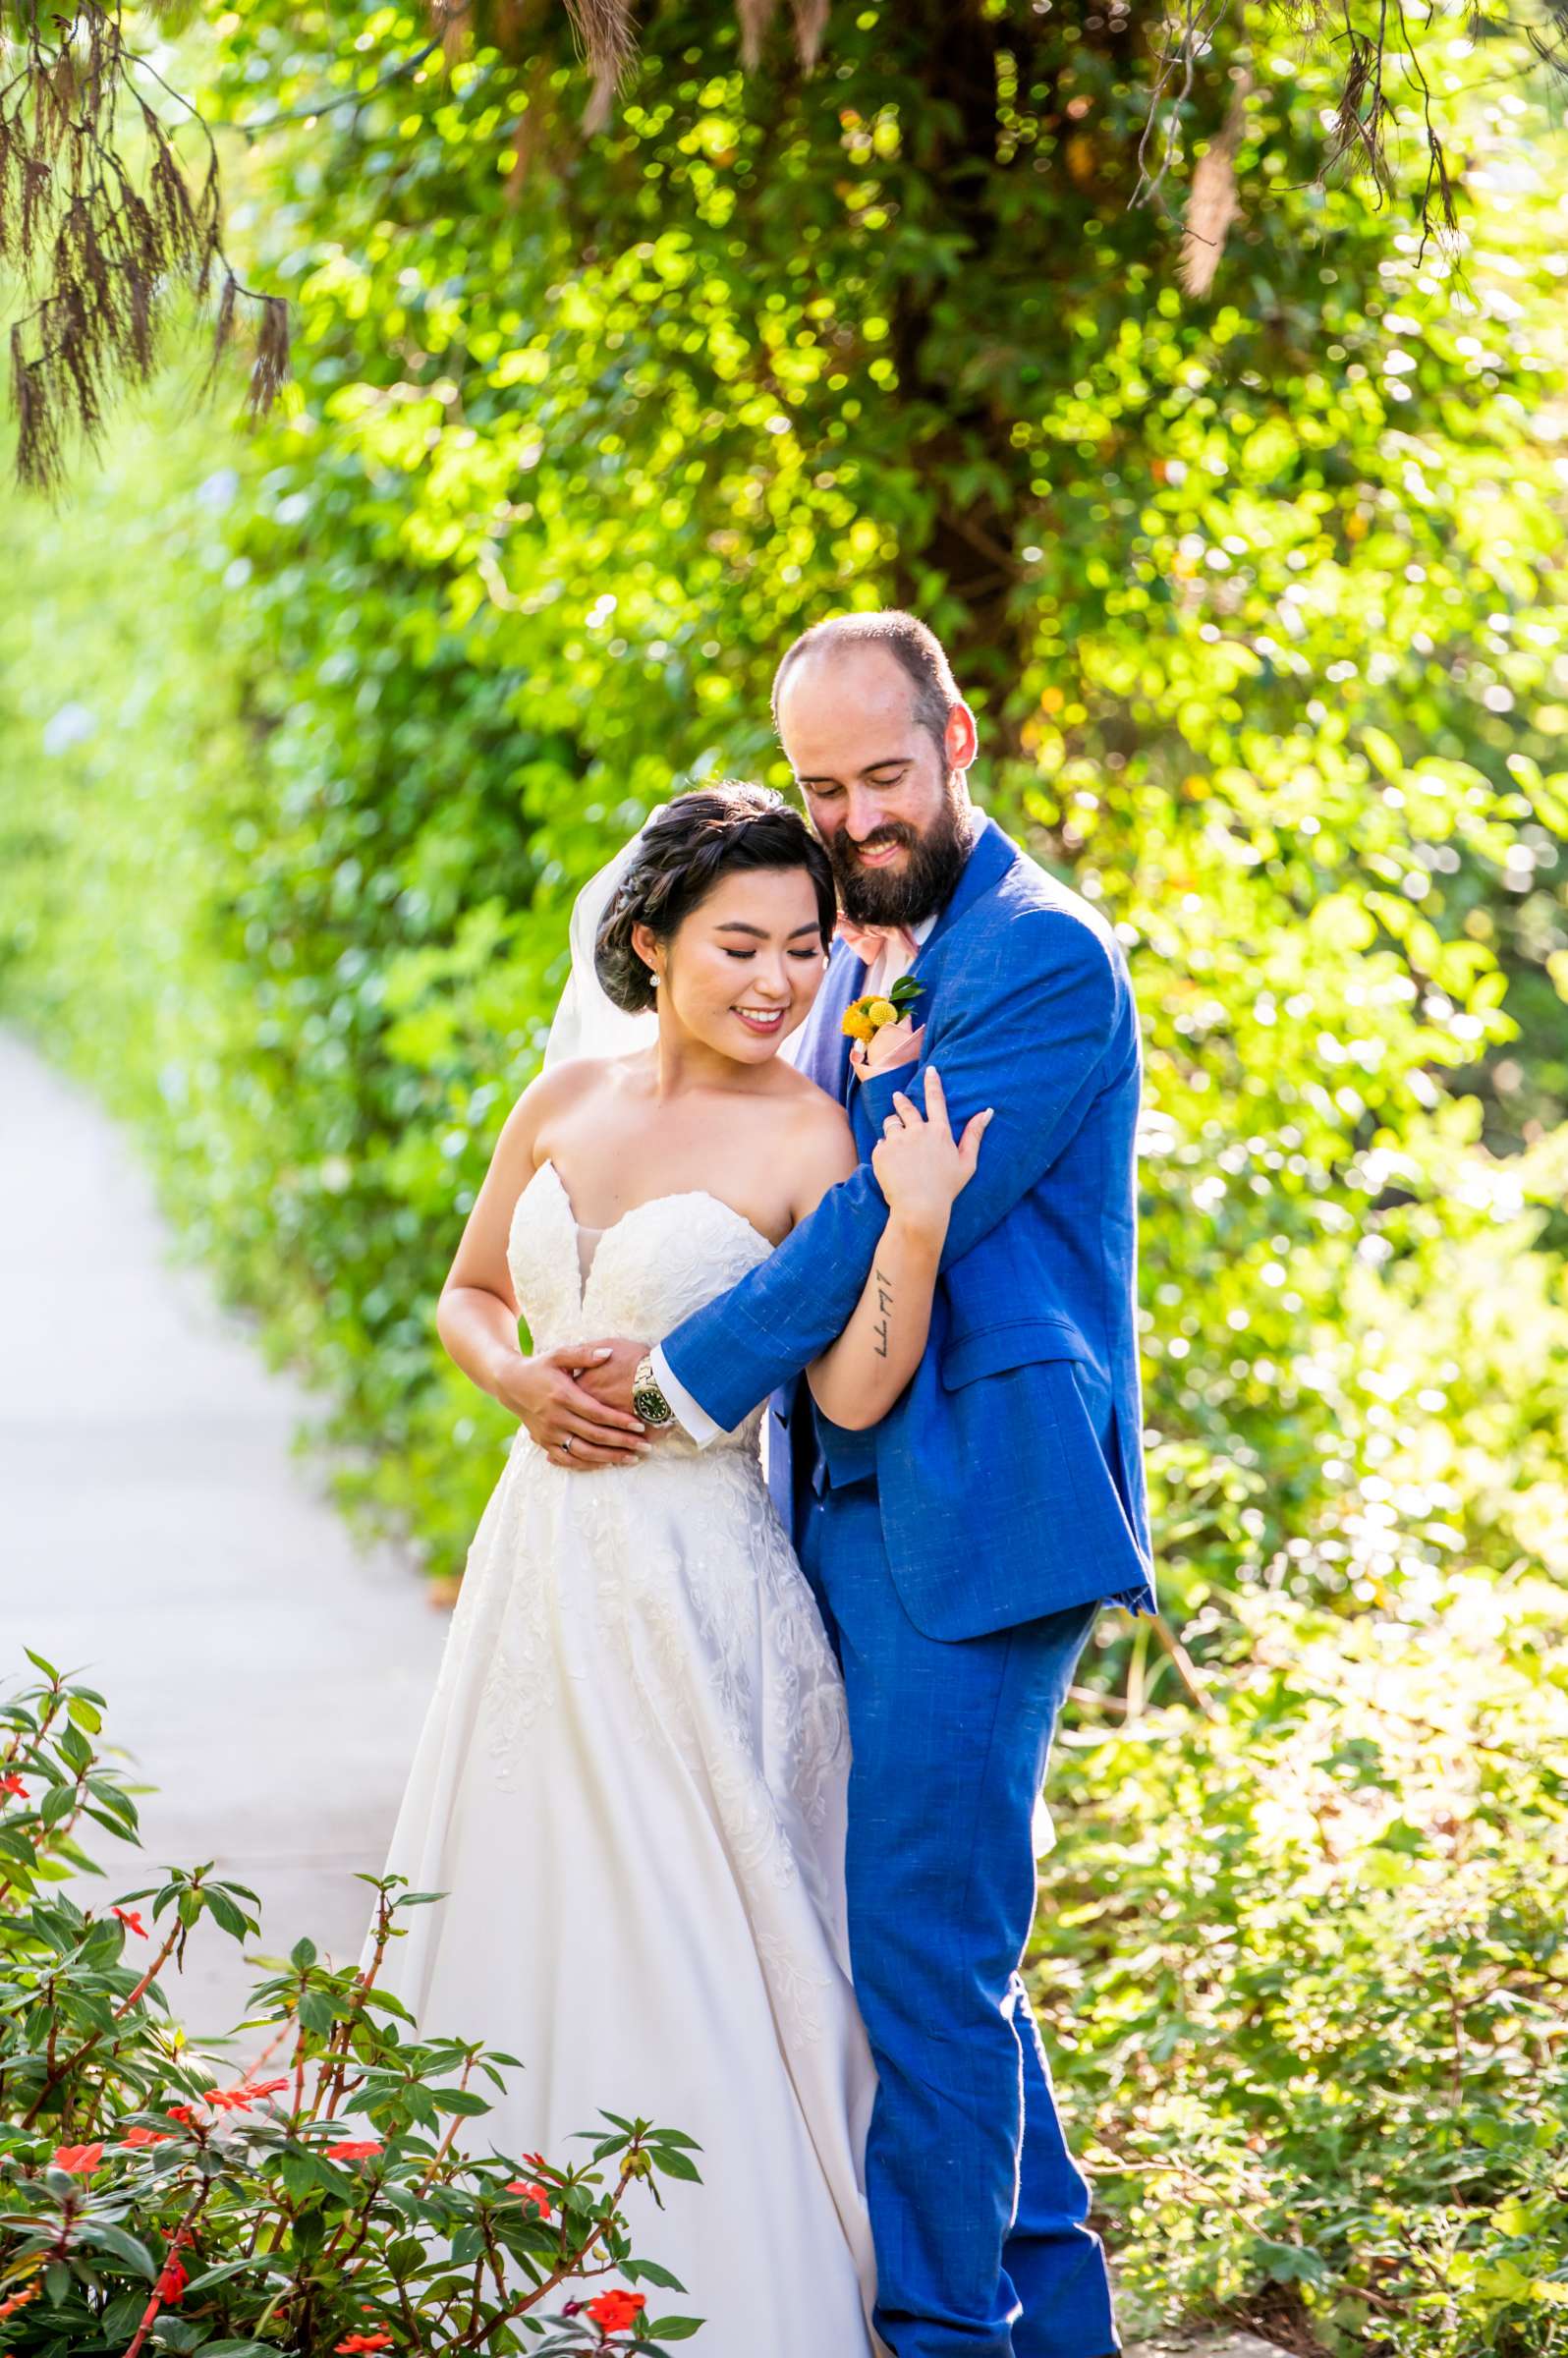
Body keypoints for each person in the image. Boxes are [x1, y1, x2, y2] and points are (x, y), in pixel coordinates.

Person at [574, 612, 1156, 2358]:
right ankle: (1049, 2328)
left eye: (882, 775)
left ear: (960, 739)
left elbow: (878, 1222)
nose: (851, 814)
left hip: (980, 1512)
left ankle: (939, 2337)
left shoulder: (1043, 960)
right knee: (920, 1944)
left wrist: (685, 1375)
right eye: (821, 786)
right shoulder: (853, 951)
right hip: (831, 1502)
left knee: (919, 1940)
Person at [368, 783, 989, 2358]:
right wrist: (515, 1383)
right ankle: (509, 2280)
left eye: (801, 945)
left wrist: (908, 1227)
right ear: (650, 943)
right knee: (527, 1892)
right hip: (542, 1563)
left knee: (689, 1919)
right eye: (738, 946)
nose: (777, 981)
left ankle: (719, 2292)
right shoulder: (563, 1103)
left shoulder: (812, 1133)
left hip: (699, 1582)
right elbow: (466, 1293)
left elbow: (848, 1394)